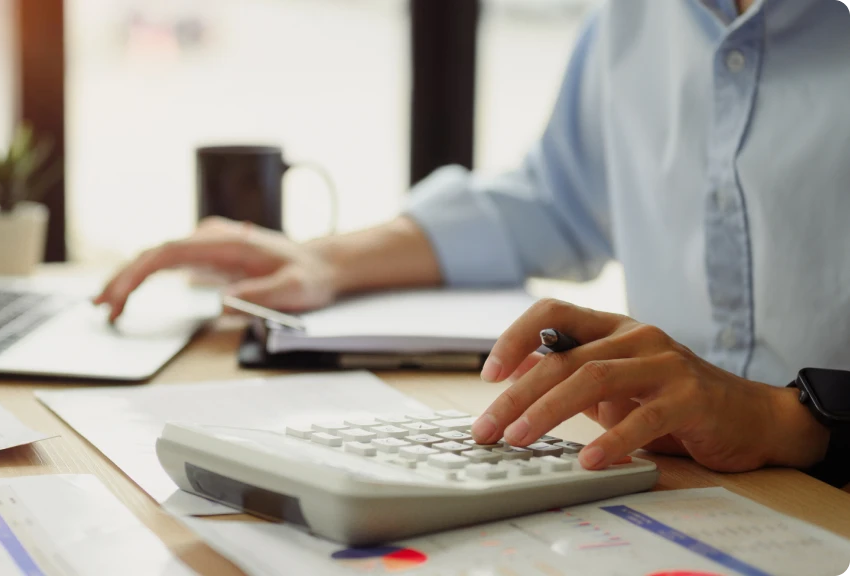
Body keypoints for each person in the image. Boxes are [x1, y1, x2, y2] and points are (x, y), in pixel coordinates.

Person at [95, 0, 849, 479]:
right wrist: (328, 261)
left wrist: (790, 418)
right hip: (679, 482)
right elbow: (556, 199)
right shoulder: (633, 17)